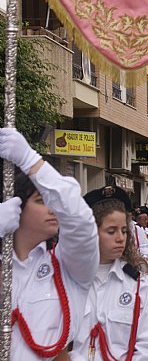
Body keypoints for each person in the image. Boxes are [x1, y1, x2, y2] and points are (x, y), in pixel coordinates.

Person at [0, 128, 99, 360]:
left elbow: (80, 221)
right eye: (41, 200)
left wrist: (30, 160)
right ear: (16, 205)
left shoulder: (68, 266)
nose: (52, 207)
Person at [71, 185, 148, 360]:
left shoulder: (138, 283)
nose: (120, 238)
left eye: (124, 231)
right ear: (90, 232)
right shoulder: (69, 280)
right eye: (111, 231)